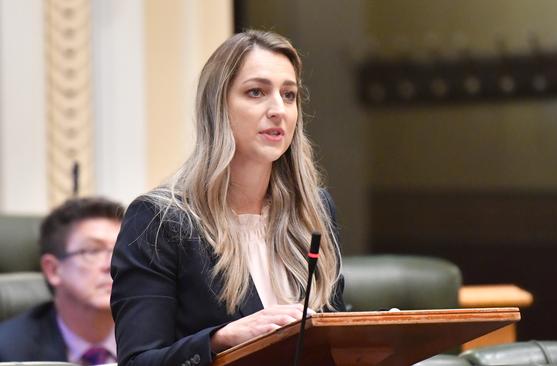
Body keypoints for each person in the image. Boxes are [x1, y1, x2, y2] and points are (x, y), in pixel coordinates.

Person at [110, 30, 345, 366]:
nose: (278, 109)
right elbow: (138, 361)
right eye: (256, 92)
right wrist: (220, 340)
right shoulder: (159, 220)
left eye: (289, 95)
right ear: (217, 107)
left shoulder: (314, 210)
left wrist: (374, 334)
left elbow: (328, 340)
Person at [0, 197, 124, 364]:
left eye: (122, 251)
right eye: (93, 251)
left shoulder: (161, 337)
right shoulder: (8, 350)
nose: (112, 265)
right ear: (53, 270)